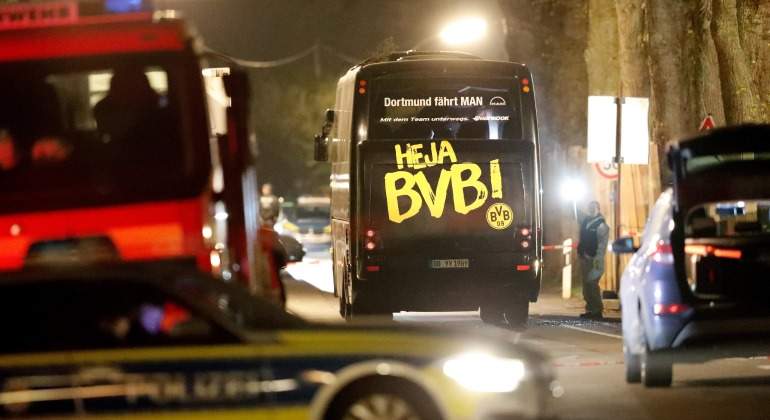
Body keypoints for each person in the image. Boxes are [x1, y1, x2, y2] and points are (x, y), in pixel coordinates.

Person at [576, 200, 610, 320]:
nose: (591, 209)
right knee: (586, 286)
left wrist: (597, 258)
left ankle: (597, 310)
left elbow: (602, 245)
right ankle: (590, 309)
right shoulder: (586, 221)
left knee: (592, 284)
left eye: (593, 207)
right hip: (584, 258)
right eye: (590, 207)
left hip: (594, 259)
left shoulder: (601, 225)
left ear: (598, 209)